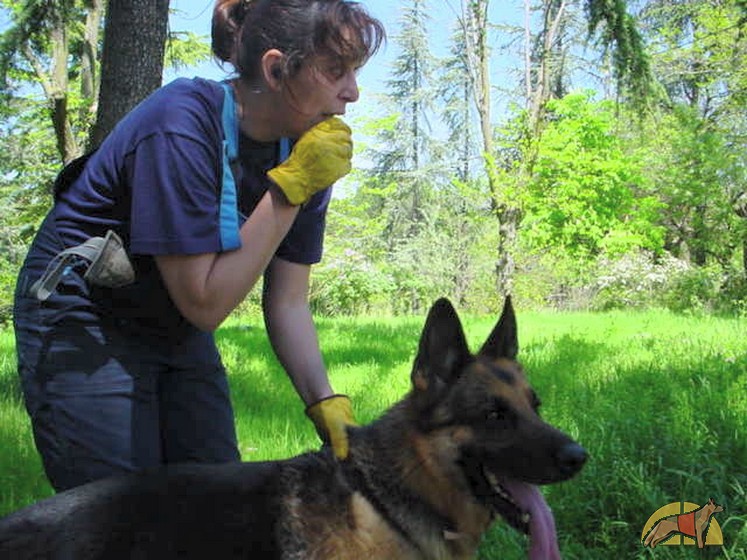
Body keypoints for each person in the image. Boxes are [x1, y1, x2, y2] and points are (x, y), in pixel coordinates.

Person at [12, 0, 385, 492]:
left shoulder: (309, 153)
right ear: (276, 69)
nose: (352, 93)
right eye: (335, 71)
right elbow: (205, 302)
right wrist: (289, 189)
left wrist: (323, 402)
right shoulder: (182, 123)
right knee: (119, 513)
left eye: (354, 72)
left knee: (215, 498)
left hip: (171, 317)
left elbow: (288, 301)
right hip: (85, 310)